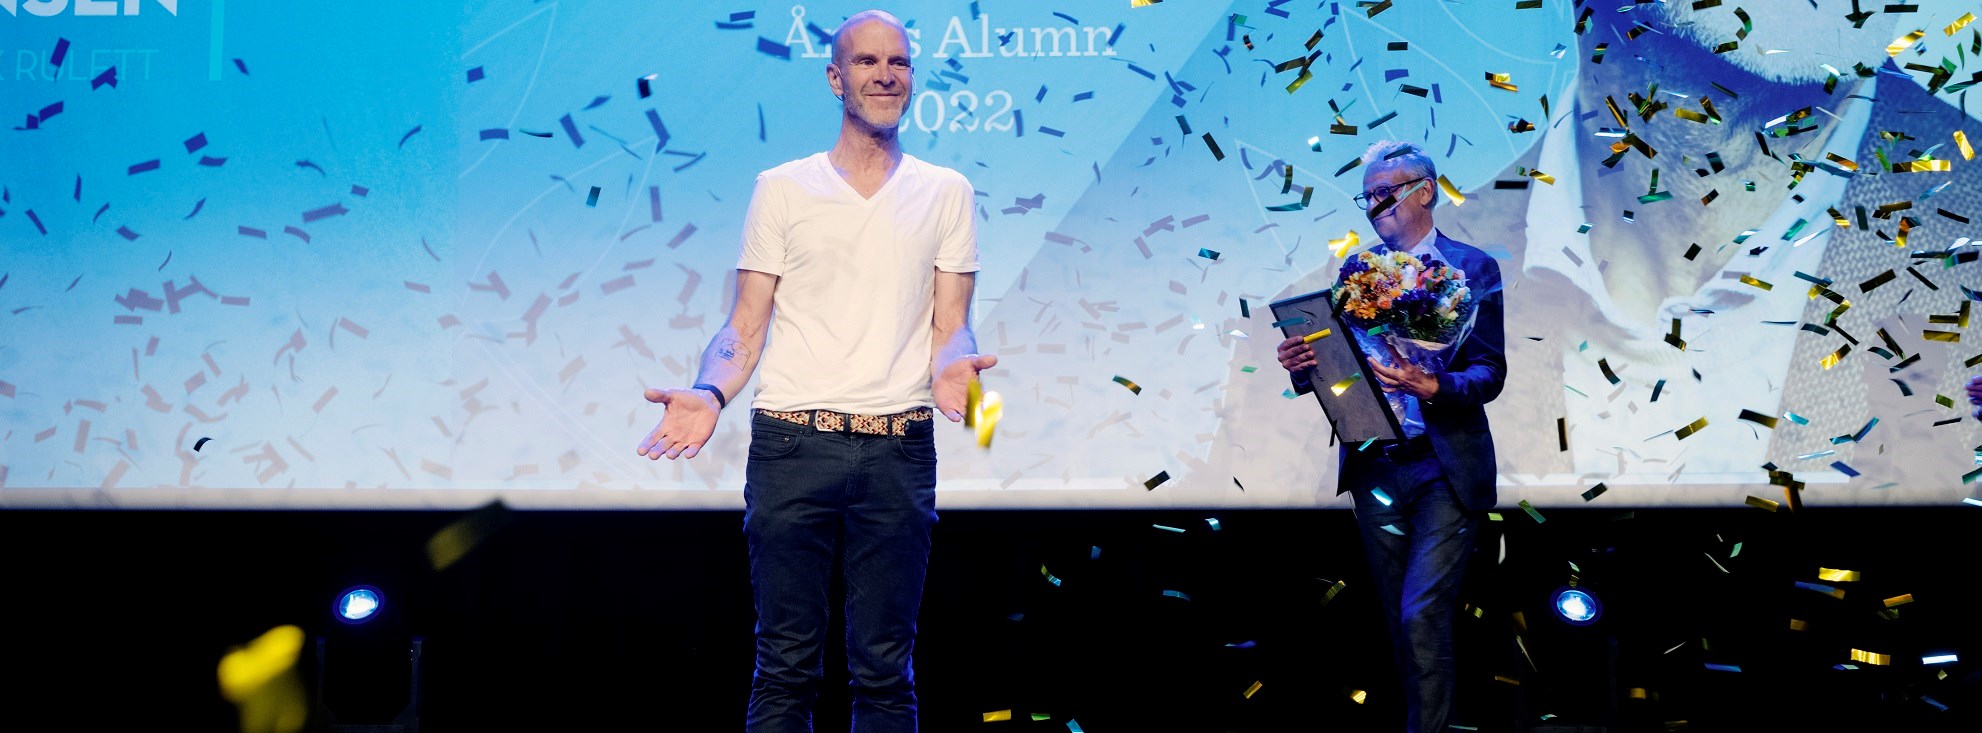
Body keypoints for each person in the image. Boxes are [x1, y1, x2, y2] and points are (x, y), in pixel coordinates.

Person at [634, 10, 995, 732]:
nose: (885, 74)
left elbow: (952, 325)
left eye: (898, 61)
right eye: (866, 62)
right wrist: (708, 392)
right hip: (792, 444)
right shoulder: (782, 188)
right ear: (836, 78)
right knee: (785, 666)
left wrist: (961, 374)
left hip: (899, 447)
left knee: (886, 670)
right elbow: (745, 323)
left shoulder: (947, 189)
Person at [1277, 140, 1506, 733]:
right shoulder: (1357, 272)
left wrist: (1430, 384)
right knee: (1398, 620)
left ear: (1425, 191)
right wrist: (1304, 364)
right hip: (1376, 465)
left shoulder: (1472, 268)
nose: (1374, 206)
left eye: (1386, 193)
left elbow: (1489, 372)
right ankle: (1426, 723)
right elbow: (1340, 372)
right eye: (1368, 197)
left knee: (1420, 612)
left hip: (1442, 466)